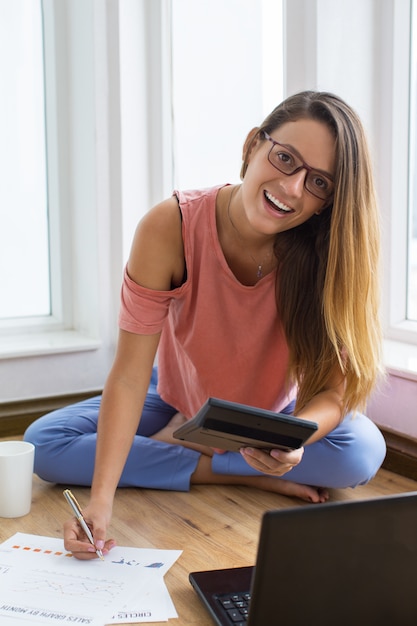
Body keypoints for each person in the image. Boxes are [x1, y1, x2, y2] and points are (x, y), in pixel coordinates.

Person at [24, 90, 386, 560]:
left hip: (275, 416)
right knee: (43, 443)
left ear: (327, 202)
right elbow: (131, 374)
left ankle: (200, 455)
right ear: (252, 145)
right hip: (175, 397)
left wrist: (291, 441)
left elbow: (333, 395)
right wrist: (100, 502)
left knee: (362, 452)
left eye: (319, 182)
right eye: (285, 158)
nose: (293, 188)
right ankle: (225, 467)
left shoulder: (329, 254)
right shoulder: (169, 226)